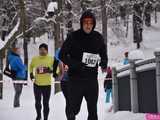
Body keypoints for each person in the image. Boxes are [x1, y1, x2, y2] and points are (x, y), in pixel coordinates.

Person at [59, 9, 108, 120]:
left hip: (91, 80)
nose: (88, 25)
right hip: (75, 79)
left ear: (93, 24)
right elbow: (62, 55)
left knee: (93, 111)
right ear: (81, 23)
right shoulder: (73, 37)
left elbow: (103, 53)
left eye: (91, 23)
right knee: (73, 109)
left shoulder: (98, 37)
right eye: (86, 22)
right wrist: (76, 64)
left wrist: (104, 63)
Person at [29, 43, 56, 120]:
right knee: (37, 102)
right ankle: (38, 116)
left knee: (46, 103)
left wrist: (51, 70)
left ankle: (45, 118)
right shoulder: (35, 59)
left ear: (47, 51)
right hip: (37, 84)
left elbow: (56, 69)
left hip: (47, 85)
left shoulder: (51, 59)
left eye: (44, 50)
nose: (42, 51)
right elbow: (31, 66)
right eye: (40, 50)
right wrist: (31, 74)